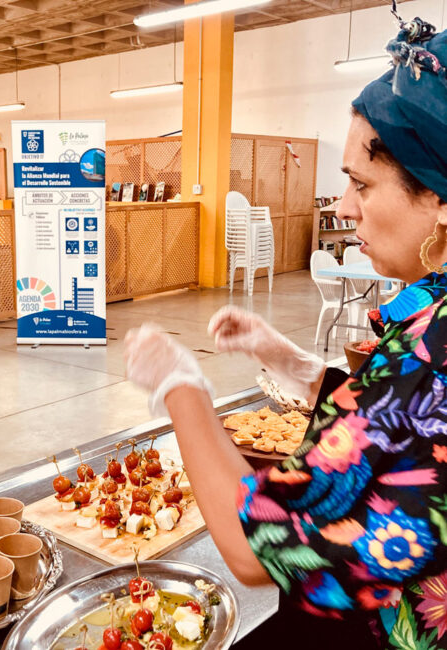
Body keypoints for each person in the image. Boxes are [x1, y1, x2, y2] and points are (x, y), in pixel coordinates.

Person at [125, 15, 447, 650]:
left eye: (361, 183)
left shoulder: (433, 354)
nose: (345, 205)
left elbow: (259, 547)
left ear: (440, 198)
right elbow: (389, 434)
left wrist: (181, 388)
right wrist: (290, 361)